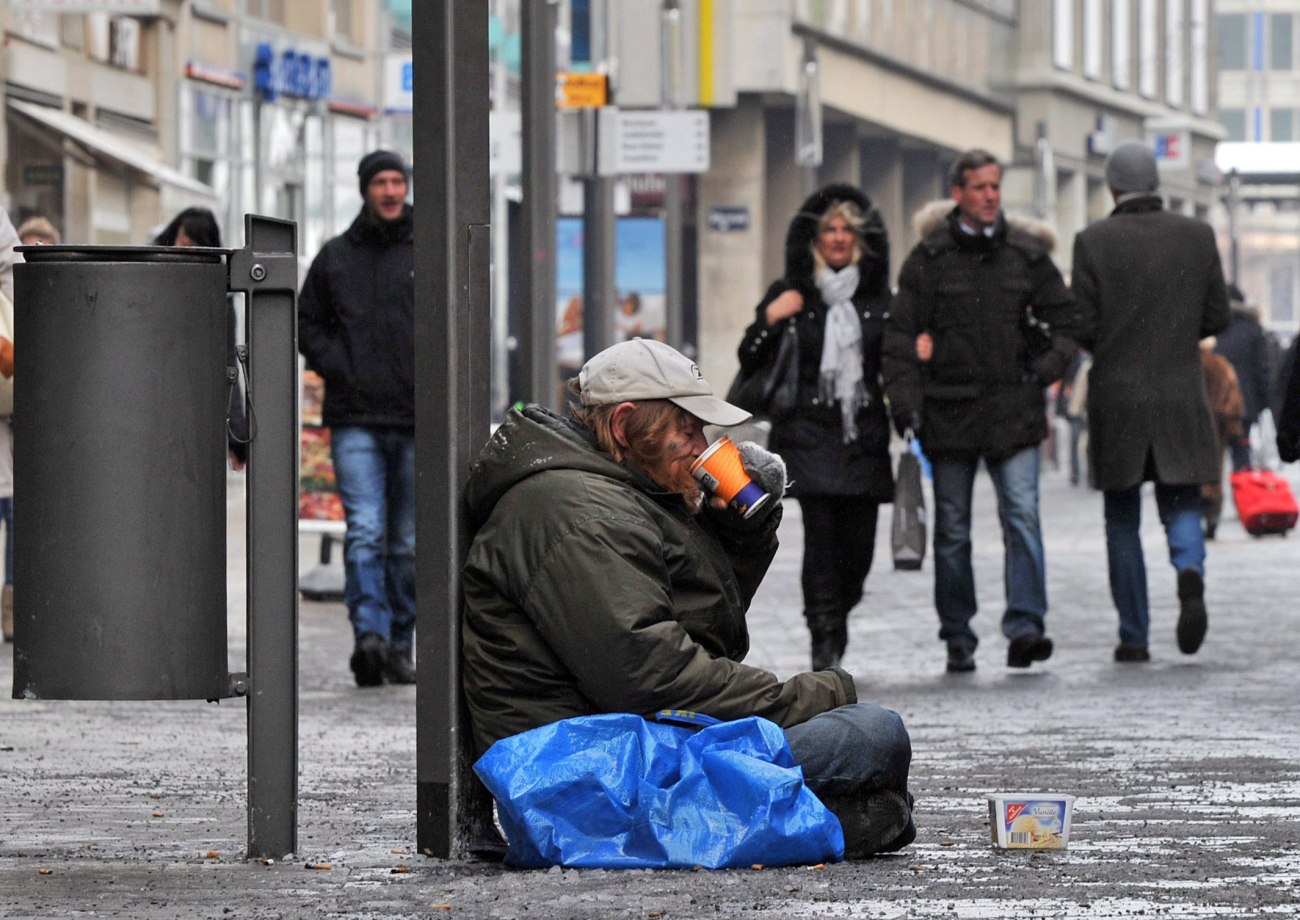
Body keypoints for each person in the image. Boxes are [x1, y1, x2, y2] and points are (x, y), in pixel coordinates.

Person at [462, 338, 916, 858]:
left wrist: (739, 533)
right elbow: (654, 675)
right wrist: (816, 694)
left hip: (623, 748)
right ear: (623, 425)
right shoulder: (578, 511)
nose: (701, 446)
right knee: (871, 735)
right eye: (686, 429)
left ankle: (828, 818)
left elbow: (698, 632)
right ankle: (828, 816)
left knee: (871, 759)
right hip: (584, 781)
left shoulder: (620, 490)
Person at [882, 149, 1076, 674]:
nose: (990, 196)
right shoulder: (929, 258)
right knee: (953, 530)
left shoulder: (1027, 255)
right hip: (949, 415)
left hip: (1015, 410)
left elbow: (1068, 323)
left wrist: (1043, 370)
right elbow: (899, 339)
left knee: (1023, 517)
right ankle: (958, 634)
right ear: (958, 193)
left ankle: (1026, 627)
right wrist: (906, 406)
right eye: (979, 187)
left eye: (995, 186)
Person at [1071, 141, 1230, 663]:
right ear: (1156, 182)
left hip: (1117, 397)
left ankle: (1134, 635)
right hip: (1180, 392)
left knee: (1122, 519)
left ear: (1112, 186)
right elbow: (1218, 316)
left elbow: (1082, 325)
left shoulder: (1092, 241)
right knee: (1181, 499)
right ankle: (1189, 570)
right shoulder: (1197, 236)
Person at [735, 184, 894, 671]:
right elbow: (749, 356)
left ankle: (839, 613)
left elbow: (895, 363)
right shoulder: (792, 294)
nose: (839, 237)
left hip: (862, 436)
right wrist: (770, 317)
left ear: (861, 239)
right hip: (807, 433)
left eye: (848, 230)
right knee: (821, 542)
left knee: (859, 549)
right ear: (815, 238)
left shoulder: (878, 300)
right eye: (830, 229)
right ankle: (823, 634)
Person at [298, 150, 415, 687]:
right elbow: (307, 323)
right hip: (355, 417)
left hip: (415, 418)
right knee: (366, 530)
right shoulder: (336, 257)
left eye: (397, 181)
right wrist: (340, 367)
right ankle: (370, 635)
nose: (390, 191)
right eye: (380, 182)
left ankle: (399, 642)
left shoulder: (426, 251)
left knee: (407, 540)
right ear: (366, 189)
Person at [152, 207, 249, 471]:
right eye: (184, 244)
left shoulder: (219, 298)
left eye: (194, 246)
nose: (186, 253)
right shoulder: (149, 283)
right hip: (159, 407)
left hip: (189, 413)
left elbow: (227, 364)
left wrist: (237, 433)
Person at [1214, 284, 1273, 470]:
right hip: (1245, 405)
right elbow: (1263, 371)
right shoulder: (1253, 330)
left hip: (1214, 404)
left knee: (1213, 459)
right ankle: (1244, 484)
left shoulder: (1210, 328)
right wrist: (1264, 404)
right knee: (1242, 453)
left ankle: (1212, 488)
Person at [1199, 338, 1245, 540]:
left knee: (1189, 476)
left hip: (1188, 429)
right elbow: (1233, 401)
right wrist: (1233, 426)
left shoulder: (1184, 366)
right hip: (1216, 429)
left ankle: (1194, 514)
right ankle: (1212, 516)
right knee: (1214, 474)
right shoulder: (1221, 366)